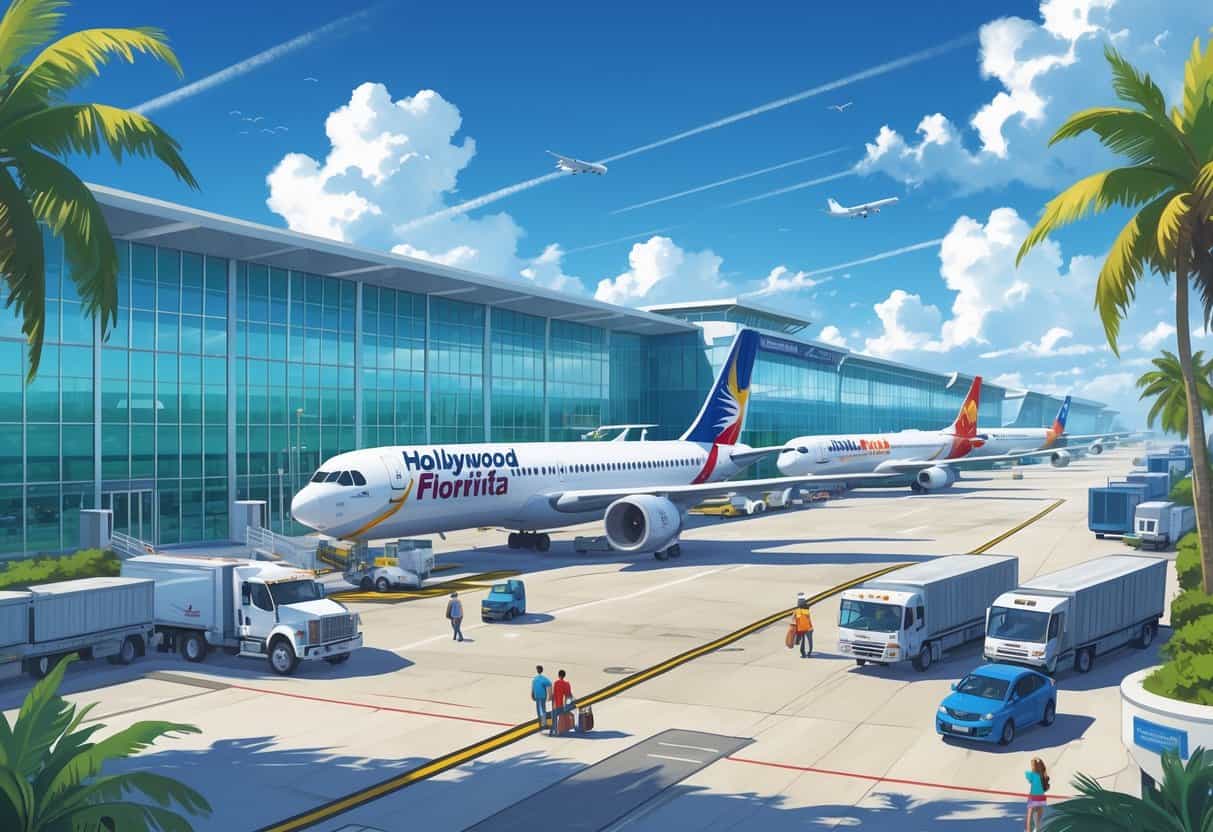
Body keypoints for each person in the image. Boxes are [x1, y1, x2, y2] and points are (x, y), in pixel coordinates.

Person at [1025, 757, 1050, 831]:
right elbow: (1047, 787)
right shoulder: (1044, 775)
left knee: (1029, 816)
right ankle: (1037, 829)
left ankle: (1028, 830)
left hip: (1033, 796)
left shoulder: (1032, 774)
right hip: (1041, 796)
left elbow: (1028, 777)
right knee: (1039, 816)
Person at [550, 669, 574, 736]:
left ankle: (553, 731)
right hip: (563, 705)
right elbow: (568, 694)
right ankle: (561, 730)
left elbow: (554, 694)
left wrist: (553, 704)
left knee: (554, 718)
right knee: (563, 717)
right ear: (564, 676)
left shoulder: (556, 683)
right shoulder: (566, 684)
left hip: (556, 704)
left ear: (558, 675)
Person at [531, 665, 552, 730]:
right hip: (541, 696)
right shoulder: (543, 679)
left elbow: (533, 688)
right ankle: (542, 724)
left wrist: (532, 695)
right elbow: (549, 685)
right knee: (542, 710)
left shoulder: (535, 679)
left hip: (539, 696)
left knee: (541, 710)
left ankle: (543, 725)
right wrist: (549, 695)